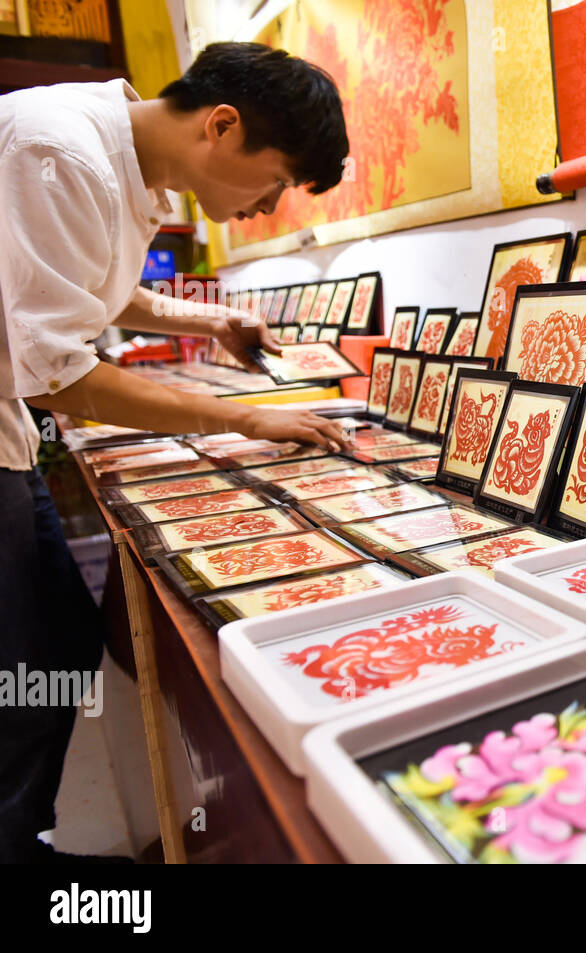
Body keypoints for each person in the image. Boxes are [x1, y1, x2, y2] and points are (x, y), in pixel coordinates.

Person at [0, 42, 351, 863]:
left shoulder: (123, 161)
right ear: (222, 126)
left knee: (56, 641)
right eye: (274, 181)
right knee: (22, 672)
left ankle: (20, 836)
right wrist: (237, 419)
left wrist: (212, 323)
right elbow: (56, 373)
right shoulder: (60, 151)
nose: (267, 207)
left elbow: (101, 291)